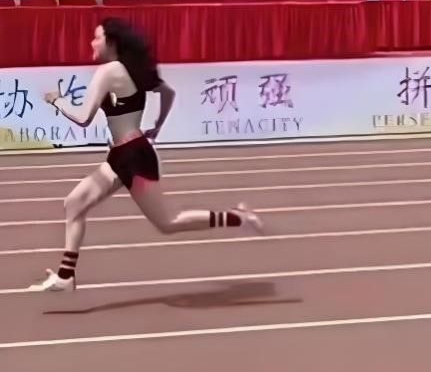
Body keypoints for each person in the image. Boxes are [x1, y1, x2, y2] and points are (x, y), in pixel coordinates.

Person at [29, 18, 263, 292]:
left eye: (97, 38)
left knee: (167, 223)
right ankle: (66, 276)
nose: (92, 43)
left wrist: (57, 101)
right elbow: (168, 92)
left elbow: (83, 118)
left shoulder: (109, 71)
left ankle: (237, 217)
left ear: (111, 42)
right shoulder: (132, 69)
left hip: (134, 159)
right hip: (122, 156)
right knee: (74, 204)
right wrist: (158, 126)